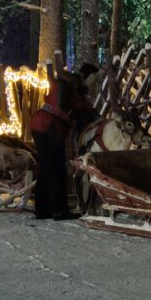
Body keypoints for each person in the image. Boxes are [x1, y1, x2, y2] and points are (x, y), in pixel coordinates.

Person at [30, 63, 100, 220]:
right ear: (87, 77)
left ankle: (42, 209)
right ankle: (59, 211)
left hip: (43, 125)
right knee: (56, 170)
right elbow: (64, 107)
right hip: (49, 128)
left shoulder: (69, 86)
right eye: (94, 80)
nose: (94, 84)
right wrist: (76, 116)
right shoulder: (68, 86)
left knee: (47, 168)